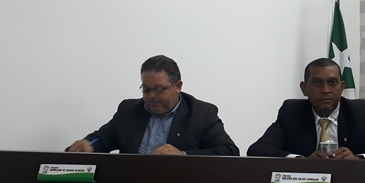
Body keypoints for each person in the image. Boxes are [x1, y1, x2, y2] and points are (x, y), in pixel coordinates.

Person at [66, 55, 239, 156]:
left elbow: (228, 151)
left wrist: (183, 155)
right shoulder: (129, 111)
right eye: (146, 89)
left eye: (159, 89)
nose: (151, 96)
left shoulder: (201, 113)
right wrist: (89, 144)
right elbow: (102, 138)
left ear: (178, 86)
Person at [247, 58, 365, 160]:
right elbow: (257, 150)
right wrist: (301, 161)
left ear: (342, 87)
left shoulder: (362, 112)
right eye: (317, 83)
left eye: (332, 83)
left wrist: (358, 159)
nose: (325, 90)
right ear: (304, 88)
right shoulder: (291, 112)